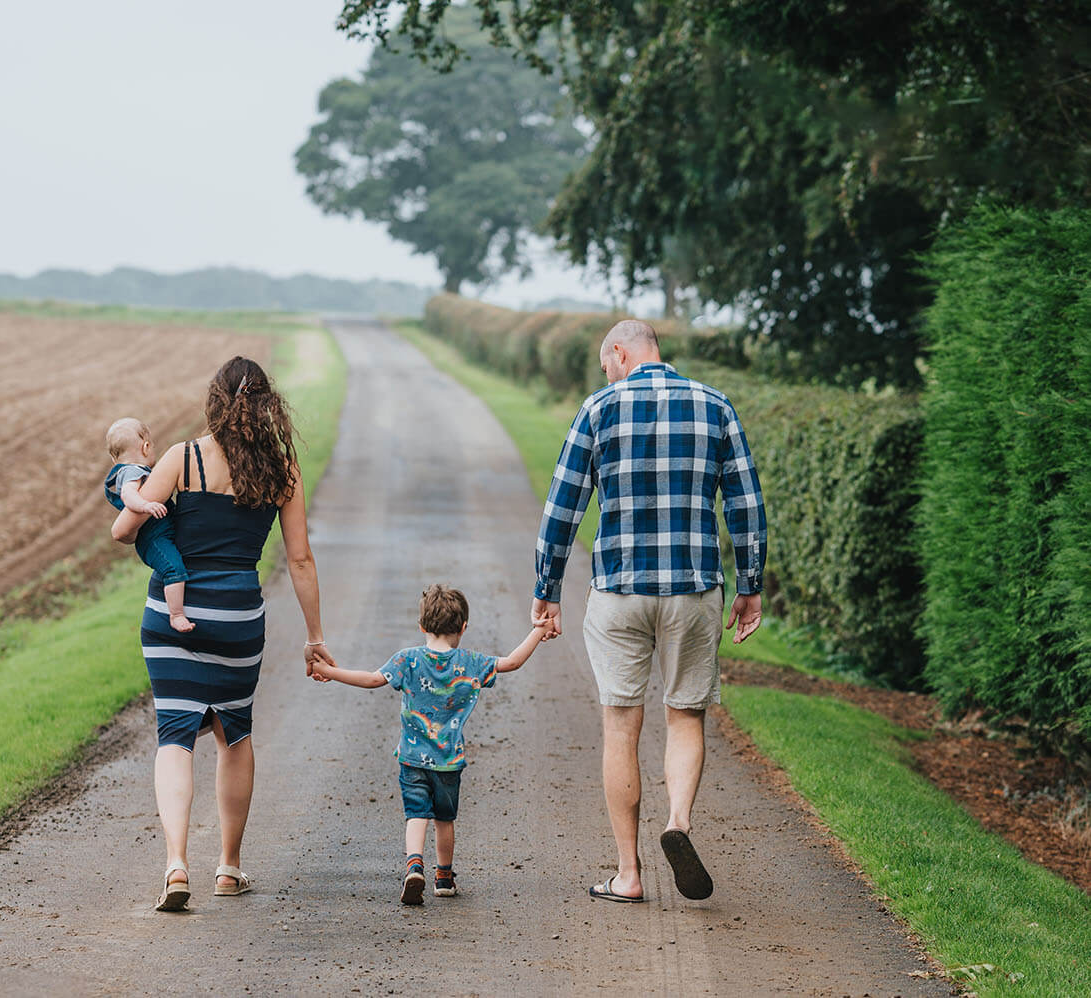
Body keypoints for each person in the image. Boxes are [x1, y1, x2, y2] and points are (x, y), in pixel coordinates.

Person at [530, 319, 767, 904]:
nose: (604, 372)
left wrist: (547, 587)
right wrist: (751, 584)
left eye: (604, 361)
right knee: (686, 713)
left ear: (620, 352)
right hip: (693, 589)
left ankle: (629, 875)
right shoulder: (716, 407)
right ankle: (678, 824)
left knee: (621, 724)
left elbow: (563, 506)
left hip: (619, 589)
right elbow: (746, 502)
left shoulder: (598, 408)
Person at [111, 356, 336, 912]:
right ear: (268, 406)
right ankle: (229, 869)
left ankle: (176, 863)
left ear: (215, 401)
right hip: (238, 617)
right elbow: (301, 560)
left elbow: (125, 531)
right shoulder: (281, 470)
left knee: (174, 734)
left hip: (171, 613)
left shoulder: (181, 457)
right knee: (234, 733)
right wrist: (314, 636)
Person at [312, 584, 548, 905]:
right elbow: (512, 662)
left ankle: (414, 865)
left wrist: (328, 670)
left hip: (412, 758)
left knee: (416, 814)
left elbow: (370, 679)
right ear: (463, 627)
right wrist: (539, 630)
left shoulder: (407, 660)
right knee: (444, 819)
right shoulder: (470, 662)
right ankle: (444, 876)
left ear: (421, 626)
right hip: (449, 761)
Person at [103, 417, 194, 633]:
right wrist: (145, 505)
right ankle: (176, 614)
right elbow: (128, 495)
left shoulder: (131, 471)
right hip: (153, 539)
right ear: (146, 447)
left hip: (160, 533)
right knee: (173, 567)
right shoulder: (132, 472)